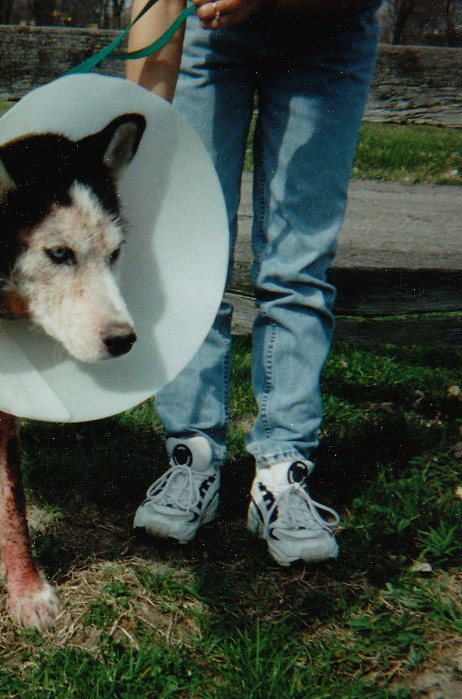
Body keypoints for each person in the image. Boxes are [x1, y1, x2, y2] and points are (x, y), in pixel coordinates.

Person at [124, 0, 382, 565]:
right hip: (209, 38)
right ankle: (192, 456)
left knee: (298, 264)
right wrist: (140, 136)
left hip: (330, 33)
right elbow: (159, 7)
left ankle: (281, 474)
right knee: (191, 250)